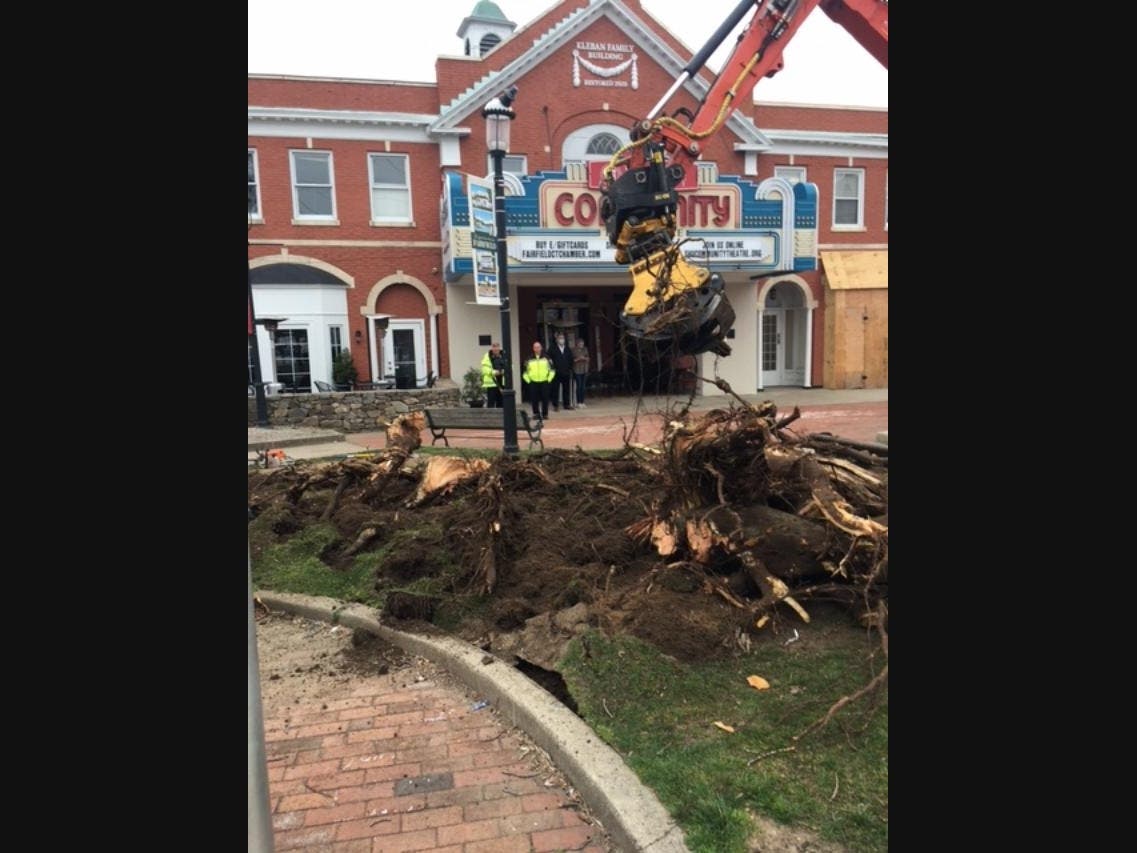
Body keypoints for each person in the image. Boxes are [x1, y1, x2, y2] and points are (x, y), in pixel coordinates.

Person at [522, 340, 556, 420]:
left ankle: (545, 414)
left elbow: (552, 370)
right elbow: (524, 372)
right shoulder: (529, 359)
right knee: (534, 399)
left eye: (538, 347)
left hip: (544, 381)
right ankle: (536, 413)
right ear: (533, 349)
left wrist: (549, 379)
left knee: (545, 398)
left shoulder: (547, 358)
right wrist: (529, 381)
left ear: (541, 348)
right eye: (535, 347)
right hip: (533, 382)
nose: (537, 349)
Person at [548, 331, 575, 412]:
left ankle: (566, 404)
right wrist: (552, 368)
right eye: (560, 338)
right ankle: (555, 405)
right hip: (556, 372)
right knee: (555, 389)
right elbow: (548, 359)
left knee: (566, 389)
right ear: (557, 340)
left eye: (562, 338)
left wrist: (570, 368)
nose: (561, 340)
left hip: (566, 372)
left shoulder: (567, 349)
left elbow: (571, 359)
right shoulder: (552, 348)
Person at [480, 342, 507, 408]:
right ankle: (490, 417)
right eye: (494, 347)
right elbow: (484, 369)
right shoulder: (487, 356)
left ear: (499, 348)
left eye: (497, 347)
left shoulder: (504, 356)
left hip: (502, 383)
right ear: (492, 348)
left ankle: (501, 417)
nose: (495, 349)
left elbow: (510, 366)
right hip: (492, 382)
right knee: (491, 403)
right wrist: (494, 372)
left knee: (501, 402)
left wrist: (504, 371)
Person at [572, 337, 590, 407]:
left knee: (583, 386)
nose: (581, 344)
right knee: (579, 386)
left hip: (584, 369)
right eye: (580, 343)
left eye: (582, 343)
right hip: (577, 370)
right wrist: (578, 359)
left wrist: (584, 358)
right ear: (577, 343)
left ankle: (582, 401)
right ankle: (578, 402)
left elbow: (588, 358)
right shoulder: (573, 350)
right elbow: (572, 360)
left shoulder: (585, 349)